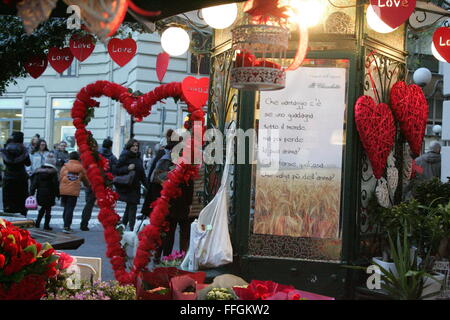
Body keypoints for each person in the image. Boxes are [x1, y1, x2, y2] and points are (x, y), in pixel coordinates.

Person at [152, 134, 193, 258]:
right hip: (170, 201)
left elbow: (190, 182)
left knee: (184, 233)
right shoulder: (166, 159)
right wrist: (172, 174)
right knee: (167, 232)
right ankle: (163, 257)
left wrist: (190, 202)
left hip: (182, 201)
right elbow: (156, 178)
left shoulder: (186, 161)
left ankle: (182, 257)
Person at [80, 138, 118, 231]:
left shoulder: (92, 155)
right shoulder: (111, 157)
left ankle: (84, 224)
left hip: (92, 181)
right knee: (107, 203)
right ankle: (110, 224)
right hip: (103, 181)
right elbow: (114, 170)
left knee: (89, 203)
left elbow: (85, 169)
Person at [114, 139, 147, 232]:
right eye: (133, 146)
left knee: (130, 207)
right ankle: (132, 230)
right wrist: (127, 168)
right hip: (127, 186)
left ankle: (123, 227)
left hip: (135, 186)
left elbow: (142, 174)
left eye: (137, 146)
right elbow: (116, 170)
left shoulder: (138, 157)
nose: (135, 148)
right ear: (129, 146)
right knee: (132, 206)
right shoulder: (125, 155)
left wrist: (148, 186)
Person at [0, 132, 31, 216]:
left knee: (9, 198)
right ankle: (22, 214)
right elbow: (28, 163)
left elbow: (6, 163)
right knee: (21, 198)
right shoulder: (24, 150)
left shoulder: (6, 149)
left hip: (8, 176)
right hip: (21, 177)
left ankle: (9, 212)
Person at [59, 151, 89, 233]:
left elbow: (60, 177)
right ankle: (67, 226)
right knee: (70, 208)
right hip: (73, 191)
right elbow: (85, 180)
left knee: (66, 207)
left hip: (64, 190)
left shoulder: (64, 167)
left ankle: (65, 224)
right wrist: (88, 185)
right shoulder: (81, 168)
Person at [30, 153, 59, 230]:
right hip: (50, 193)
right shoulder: (53, 172)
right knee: (48, 209)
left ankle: (38, 223)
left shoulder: (38, 172)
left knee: (43, 207)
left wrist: (31, 193)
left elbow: (34, 183)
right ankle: (46, 225)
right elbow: (55, 184)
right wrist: (58, 194)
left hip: (40, 192)